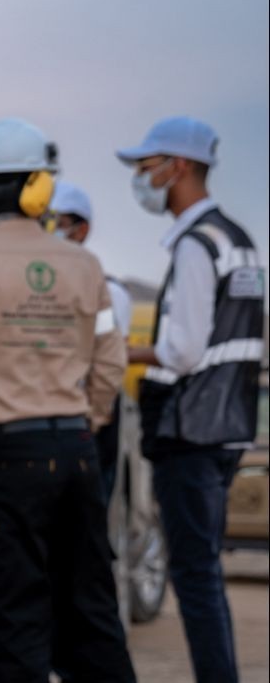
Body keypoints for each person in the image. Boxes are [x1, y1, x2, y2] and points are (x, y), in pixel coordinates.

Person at [0, 118, 135, 683]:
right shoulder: (86, 266)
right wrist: (87, 418)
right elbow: (111, 358)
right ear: (42, 188)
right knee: (92, 614)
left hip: (1, 456)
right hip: (74, 452)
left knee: (14, 619)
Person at [116, 116, 264, 683]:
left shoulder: (197, 246)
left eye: (146, 167)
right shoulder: (239, 241)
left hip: (192, 433)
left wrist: (116, 351)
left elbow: (181, 351)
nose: (141, 179)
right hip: (227, 427)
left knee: (197, 577)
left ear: (178, 167)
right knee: (205, 573)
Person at [48, 180, 134, 501]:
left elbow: (109, 363)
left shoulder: (110, 293)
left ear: (81, 230)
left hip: (86, 423)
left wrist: (95, 419)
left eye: (56, 222)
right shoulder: (27, 286)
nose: (47, 230)